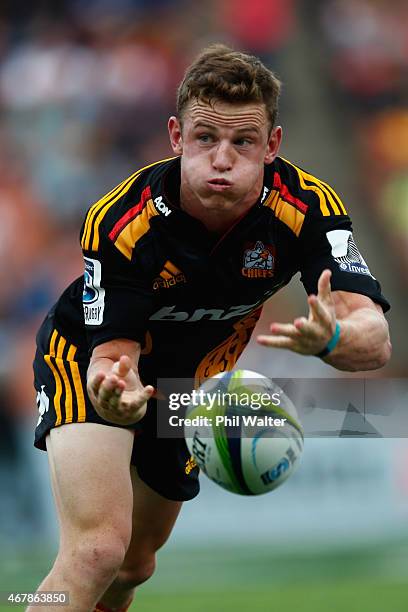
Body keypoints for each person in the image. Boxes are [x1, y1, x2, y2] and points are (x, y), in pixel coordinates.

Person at [30, 44, 391, 612]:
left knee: (133, 566)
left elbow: (376, 338)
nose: (222, 158)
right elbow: (112, 354)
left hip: (186, 388)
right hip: (90, 362)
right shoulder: (123, 219)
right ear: (176, 136)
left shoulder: (309, 208)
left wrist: (336, 338)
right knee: (97, 550)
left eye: (242, 142)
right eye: (205, 139)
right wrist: (118, 394)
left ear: (271, 146)